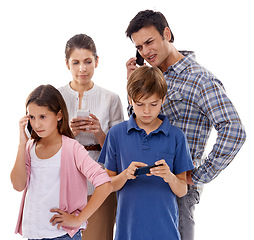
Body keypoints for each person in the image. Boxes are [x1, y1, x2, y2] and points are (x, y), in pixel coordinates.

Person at [125, 10, 246, 240]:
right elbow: (136, 125)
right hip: (142, 186)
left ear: (167, 34)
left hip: (177, 191)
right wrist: (131, 85)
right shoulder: (150, 78)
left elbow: (234, 130)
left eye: (149, 42)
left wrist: (198, 175)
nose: (146, 52)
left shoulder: (200, 79)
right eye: (139, 47)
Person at [99, 66, 194, 240]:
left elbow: (182, 190)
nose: (147, 111)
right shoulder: (116, 134)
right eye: (140, 104)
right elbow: (107, 186)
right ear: (130, 99)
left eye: (154, 104)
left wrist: (169, 177)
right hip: (127, 232)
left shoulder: (176, 136)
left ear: (163, 100)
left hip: (166, 232)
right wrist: (126, 174)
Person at [10, 84, 113, 240]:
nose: (36, 124)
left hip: (61, 235)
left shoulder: (72, 148)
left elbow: (105, 184)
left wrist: (78, 219)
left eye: (43, 117)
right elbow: (18, 185)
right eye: (32, 117)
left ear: (58, 115)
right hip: (33, 233)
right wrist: (22, 143)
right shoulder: (30, 147)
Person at [58, 34, 124, 240]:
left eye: (88, 61)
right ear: (66, 63)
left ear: (97, 61)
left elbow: (120, 151)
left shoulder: (111, 98)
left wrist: (99, 132)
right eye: (75, 62)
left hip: (101, 182)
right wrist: (69, 133)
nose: (82, 69)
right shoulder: (56, 96)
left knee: (99, 235)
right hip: (63, 181)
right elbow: (43, 143)